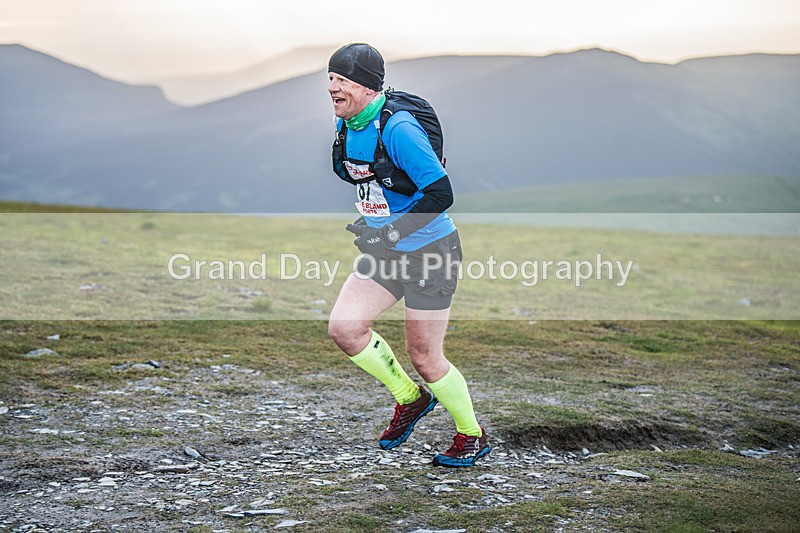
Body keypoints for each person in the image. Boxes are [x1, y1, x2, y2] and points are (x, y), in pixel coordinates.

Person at [326, 43, 490, 467]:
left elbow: (441, 192)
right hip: (385, 250)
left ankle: (471, 435)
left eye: (342, 79)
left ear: (365, 84)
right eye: (330, 78)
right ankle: (410, 398)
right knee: (345, 329)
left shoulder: (398, 128)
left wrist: (394, 231)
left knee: (425, 357)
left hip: (430, 252)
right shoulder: (347, 122)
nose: (333, 87)